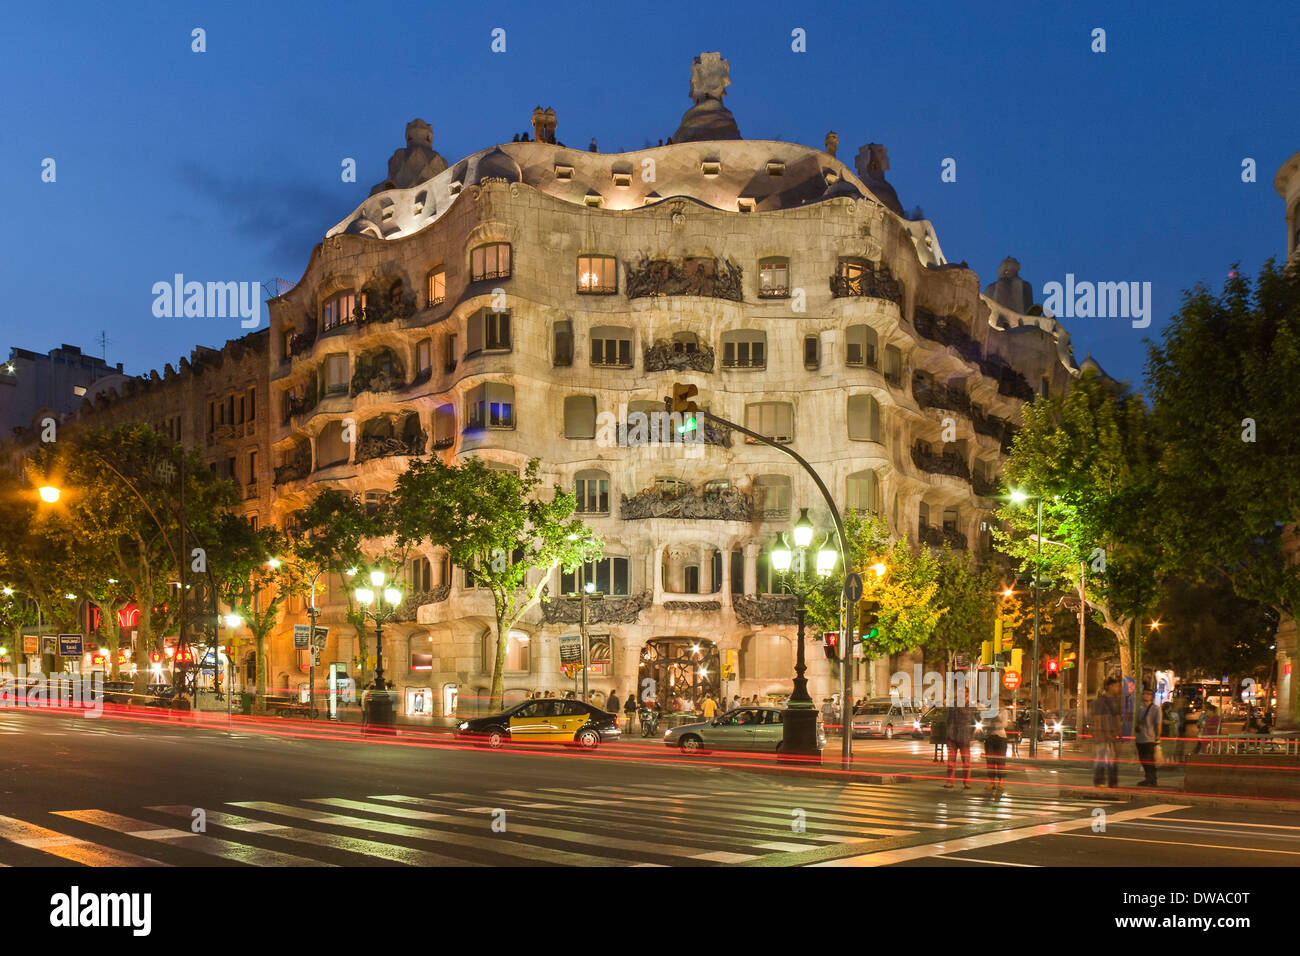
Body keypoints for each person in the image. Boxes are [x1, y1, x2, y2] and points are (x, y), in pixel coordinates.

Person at [1092, 677, 1122, 788]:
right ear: (1109, 686)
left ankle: (1113, 782)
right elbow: (1097, 719)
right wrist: (1100, 734)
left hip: (1112, 736)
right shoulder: (1100, 702)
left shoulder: (1116, 701)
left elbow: (1118, 718)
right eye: (1116, 686)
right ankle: (1100, 781)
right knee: (1101, 759)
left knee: (1112, 760)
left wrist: (1119, 732)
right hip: (1102, 736)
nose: (1118, 688)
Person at [943, 702, 975, 789]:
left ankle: (967, 782)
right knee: (950, 762)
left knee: (966, 762)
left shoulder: (970, 707)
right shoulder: (952, 706)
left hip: (964, 737)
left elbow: (974, 721)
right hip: (952, 736)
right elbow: (948, 720)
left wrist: (971, 735)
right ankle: (950, 781)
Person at [1134, 688, 1161, 787]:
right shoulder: (1140, 710)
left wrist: (1158, 737)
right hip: (1140, 739)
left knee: (1150, 760)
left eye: (1148, 694)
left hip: (1149, 738)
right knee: (1143, 760)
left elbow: (1158, 724)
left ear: (1152, 697)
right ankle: (1147, 778)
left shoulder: (1156, 709)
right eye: (1144, 693)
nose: (1145, 695)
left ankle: (1152, 780)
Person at [983, 703, 1011, 792]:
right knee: (990, 761)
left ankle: (1000, 783)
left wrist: (992, 725)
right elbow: (984, 722)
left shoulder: (1003, 711)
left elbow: (1004, 724)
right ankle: (991, 782)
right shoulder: (987, 711)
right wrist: (990, 724)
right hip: (989, 738)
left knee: (1001, 761)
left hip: (1001, 738)